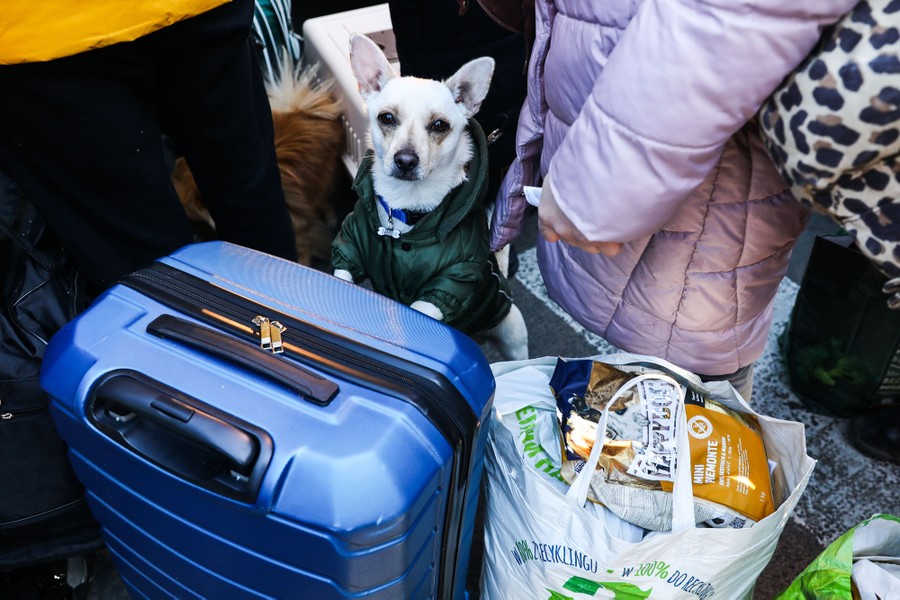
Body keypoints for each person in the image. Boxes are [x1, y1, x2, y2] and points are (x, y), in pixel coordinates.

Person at [487, 0, 861, 401]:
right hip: (627, 144)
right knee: (663, 358)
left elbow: (730, 21)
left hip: (683, 182)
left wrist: (595, 178)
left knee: (700, 382)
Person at [0, 0, 298, 297]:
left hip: (47, 32)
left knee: (144, 258)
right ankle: (286, 319)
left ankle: (184, 319)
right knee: (249, 199)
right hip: (197, 8)